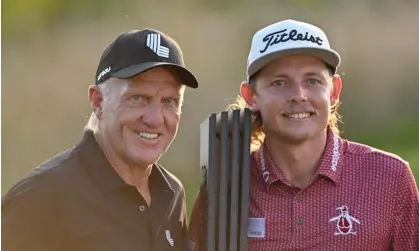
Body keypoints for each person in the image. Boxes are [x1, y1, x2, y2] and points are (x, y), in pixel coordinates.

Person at [188, 19, 419, 251]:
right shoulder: (222, 189)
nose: (298, 95)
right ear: (250, 96)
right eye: (279, 82)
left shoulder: (390, 177)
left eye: (312, 81)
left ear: (334, 91)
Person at [2, 28, 199, 251]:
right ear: (98, 102)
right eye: (138, 98)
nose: (155, 119)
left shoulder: (171, 194)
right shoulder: (38, 199)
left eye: (169, 101)